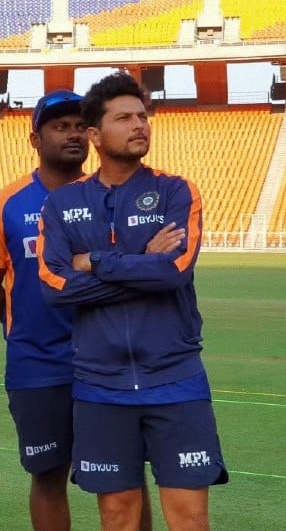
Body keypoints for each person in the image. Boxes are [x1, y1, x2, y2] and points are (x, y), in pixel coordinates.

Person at [37, 72, 228, 531]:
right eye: (124, 118)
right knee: (118, 516)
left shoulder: (175, 191)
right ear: (94, 136)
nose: (139, 125)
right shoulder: (62, 205)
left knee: (188, 517)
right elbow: (54, 288)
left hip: (176, 379)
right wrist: (142, 262)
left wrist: (97, 261)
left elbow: (174, 270)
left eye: (142, 116)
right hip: (99, 385)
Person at [0, 90, 153, 531]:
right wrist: (24, 327)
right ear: (35, 139)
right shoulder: (3, 206)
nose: (71, 134)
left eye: (78, 126)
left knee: (125, 475)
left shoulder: (117, 196)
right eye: (59, 126)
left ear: (92, 135)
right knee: (48, 474)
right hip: (38, 365)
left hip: (110, 358)